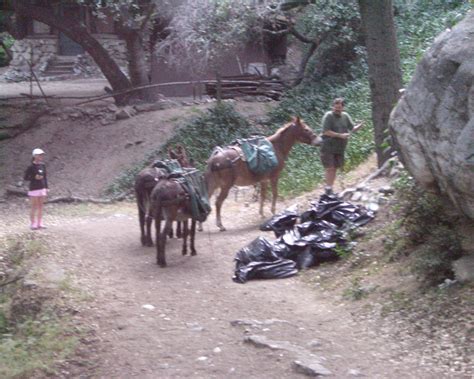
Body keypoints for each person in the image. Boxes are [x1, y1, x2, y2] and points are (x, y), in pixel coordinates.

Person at [320, 98, 364, 194]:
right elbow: (326, 131)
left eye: (339, 108)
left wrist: (359, 126)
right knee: (330, 167)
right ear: (333, 107)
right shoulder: (328, 116)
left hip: (339, 148)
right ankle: (328, 188)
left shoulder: (345, 116)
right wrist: (340, 135)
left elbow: (352, 128)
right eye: (335, 108)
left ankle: (330, 188)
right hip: (328, 146)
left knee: (335, 167)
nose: (337, 110)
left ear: (343, 108)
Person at [24, 148, 49, 230]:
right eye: (39, 155)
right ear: (34, 156)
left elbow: (45, 177)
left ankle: (40, 222)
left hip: (42, 188)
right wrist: (34, 177)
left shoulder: (43, 165)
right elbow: (26, 177)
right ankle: (33, 223)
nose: (41, 156)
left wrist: (46, 187)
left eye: (42, 155)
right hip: (34, 188)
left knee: (41, 206)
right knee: (34, 206)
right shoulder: (30, 167)